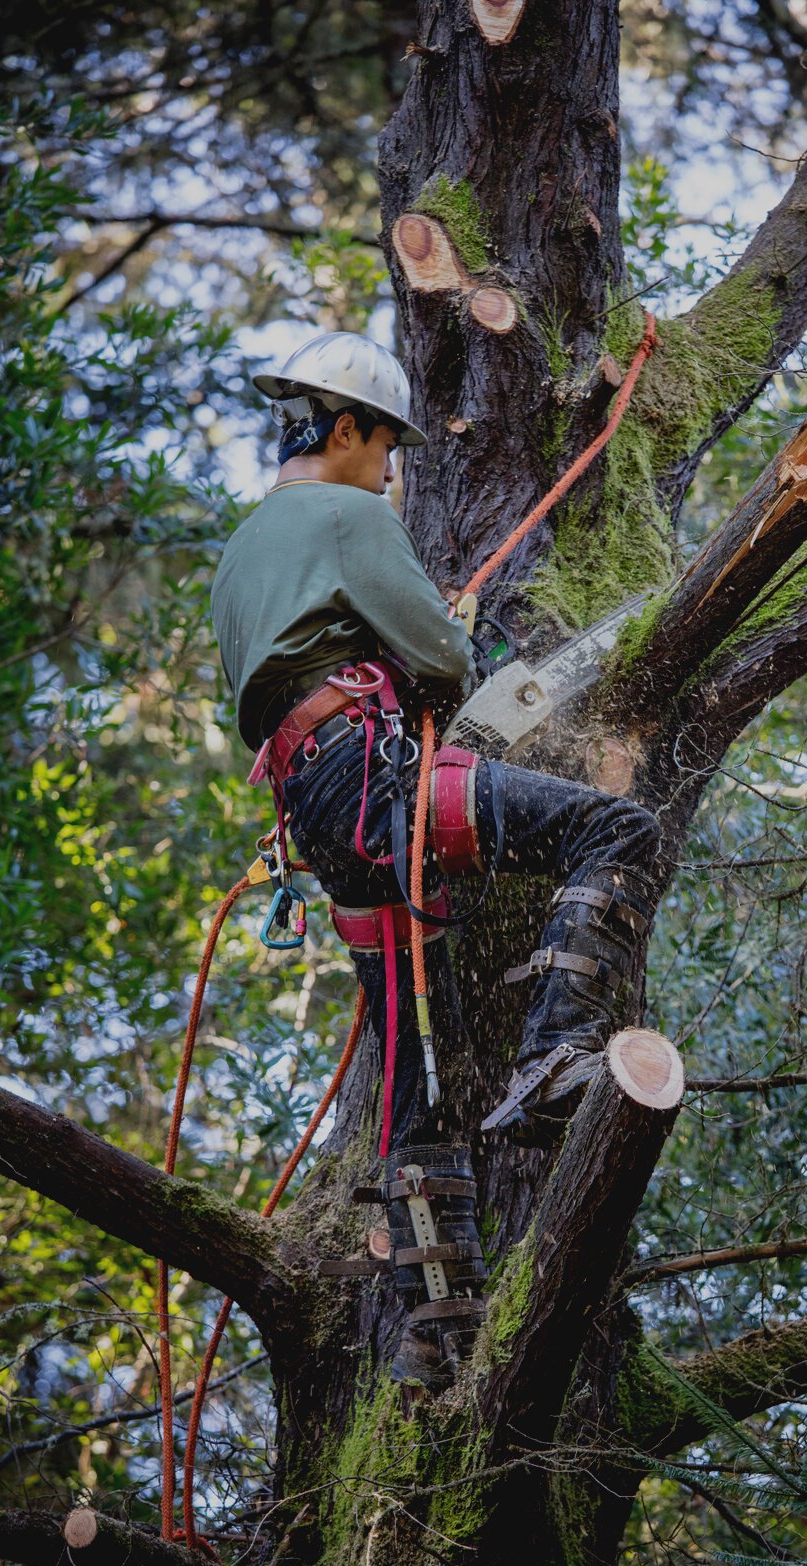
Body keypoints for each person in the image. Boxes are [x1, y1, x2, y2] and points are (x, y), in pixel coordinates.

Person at [212, 330, 660, 1386]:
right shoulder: (350, 512)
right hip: (370, 779)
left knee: (422, 1089)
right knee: (617, 829)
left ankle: (433, 1336)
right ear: (350, 426)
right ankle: (559, 1048)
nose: (393, 468)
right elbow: (444, 656)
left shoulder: (243, 552)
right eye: (385, 446)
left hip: (322, 820)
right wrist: (432, 629)